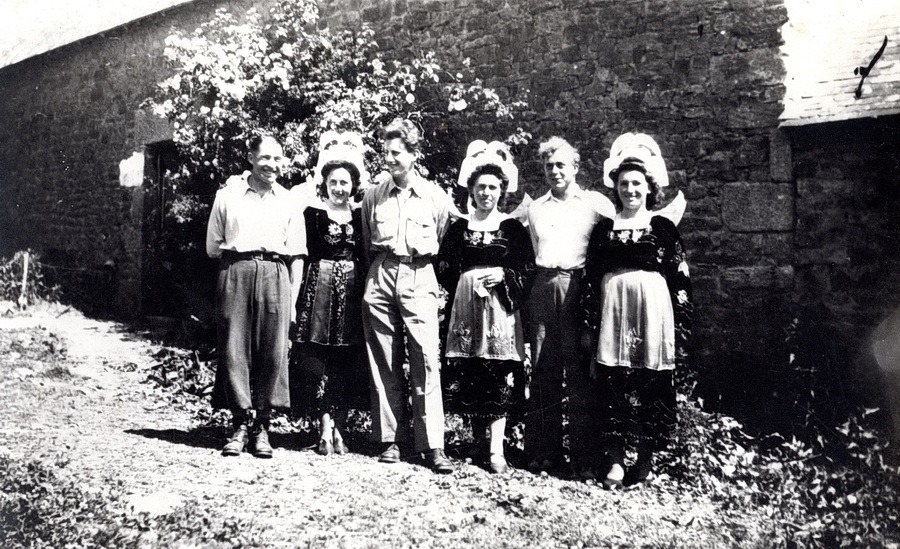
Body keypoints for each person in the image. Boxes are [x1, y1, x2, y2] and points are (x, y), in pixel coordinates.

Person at [582, 132, 692, 489]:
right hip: (614, 312)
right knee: (613, 383)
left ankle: (644, 459)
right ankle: (615, 460)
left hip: (653, 312)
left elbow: (679, 273)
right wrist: (589, 321)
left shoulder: (662, 228)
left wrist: (682, 322)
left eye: (637, 184)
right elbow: (590, 277)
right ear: (616, 188)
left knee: (650, 384)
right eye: (624, 184)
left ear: (649, 188)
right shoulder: (603, 229)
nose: (630, 189)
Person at [360, 118, 455, 474]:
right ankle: (390, 439)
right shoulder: (374, 195)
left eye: (397, 152)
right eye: (385, 151)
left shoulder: (435, 196)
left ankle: (432, 445)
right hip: (382, 272)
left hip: (419, 274)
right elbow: (367, 239)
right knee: (383, 358)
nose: (389, 158)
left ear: (414, 154)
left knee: (426, 359)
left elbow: (445, 234)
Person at [436, 141, 535, 474]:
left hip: (500, 310)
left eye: (493, 187)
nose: (486, 193)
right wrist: (465, 280)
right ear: (472, 189)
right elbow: (444, 266)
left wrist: (503, 274)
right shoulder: (459, 228)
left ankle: (496, 450)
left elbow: (527, 268)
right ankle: (478, 443)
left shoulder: (512, 228)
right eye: (481, 187)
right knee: (472, 372)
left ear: (502, 190)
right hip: (466, 310)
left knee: (498, 373)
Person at [206, 134, 306, 458]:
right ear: (251, 157)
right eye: (265, 158)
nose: (272, 165)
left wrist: (291, 302)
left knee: (272, 351)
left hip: (277, 273)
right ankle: (239, 424)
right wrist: (236, 268)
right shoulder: (227, 196)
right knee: (234, 347)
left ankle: (262, 425)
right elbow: (212, 245)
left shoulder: (289, 201)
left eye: (278, 159)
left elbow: (298, 255)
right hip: (236, 269)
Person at [523, 136, 609, 474]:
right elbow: (533, 250)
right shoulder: (536, 208)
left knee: (578, 373)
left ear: (574, 168)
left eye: (561, 165)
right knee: (543, 370)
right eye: (549, 166)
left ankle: (584, 458)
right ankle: (544, 453)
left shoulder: (593, 205)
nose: (555, 171)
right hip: (543, 286)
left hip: (577, 287)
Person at [289, 136, 369, 456]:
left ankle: (339, 427)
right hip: (319, 290)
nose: (339, 188)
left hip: (351, 292)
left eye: (345, 182)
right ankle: (324, 428)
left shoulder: (361, 217)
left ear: (353, 185)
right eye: (333, 182)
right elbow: (299, 254)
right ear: (324, 183)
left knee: (344, 360)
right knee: (318, 359)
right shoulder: (312, 215)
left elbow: (366, 255)